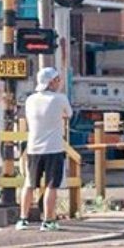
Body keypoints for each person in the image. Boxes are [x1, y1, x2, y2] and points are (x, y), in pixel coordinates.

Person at [17, 65, 72, 232]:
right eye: (57, 80)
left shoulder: (30, 100)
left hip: (33, 147)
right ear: (51, 82)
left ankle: (23, 219)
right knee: (51, 185)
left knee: (29, 184)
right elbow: (68, 114)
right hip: (53, 148)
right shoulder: (60, 99)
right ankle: (48, 221)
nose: (59, 82)